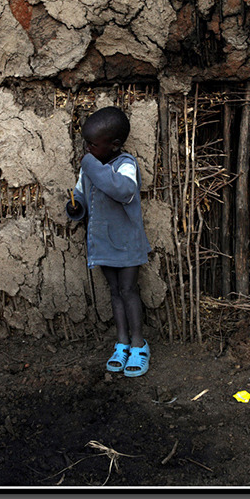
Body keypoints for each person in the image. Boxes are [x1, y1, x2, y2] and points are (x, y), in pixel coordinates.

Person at [66, 107, 151, 377]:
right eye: (86, 144)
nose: (88, 149)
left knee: (128, 291)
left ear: (114, 145)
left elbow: (122, 190)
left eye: (93, 144)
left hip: (126, 243)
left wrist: (90, 164)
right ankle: (122, 342)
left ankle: (139, 345)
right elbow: (81, 193)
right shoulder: (91, 167)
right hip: (103, 242)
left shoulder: (125, 164)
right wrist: (76, 207)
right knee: (114, 293)